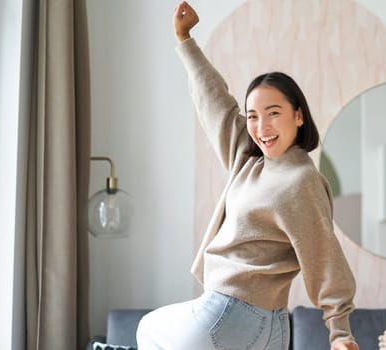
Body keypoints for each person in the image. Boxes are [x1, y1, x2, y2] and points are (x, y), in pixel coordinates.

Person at [135, 1, 359, 350]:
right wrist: (186, 41)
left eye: (273, 113)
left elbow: (324, 253)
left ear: (298, 116)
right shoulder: (250, 161)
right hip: (272, 328)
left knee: (148, 329)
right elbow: (216, 103)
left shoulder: (299, 180)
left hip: (230, 311)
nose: (261, 126)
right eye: (252, 115)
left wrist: (340, 331)